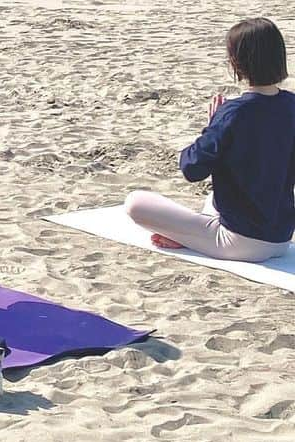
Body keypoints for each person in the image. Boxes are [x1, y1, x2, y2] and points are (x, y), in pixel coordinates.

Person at [125, 18, 294, 261]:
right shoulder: (291, 105)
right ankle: (187, 234)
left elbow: (192, 168)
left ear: (237, 63)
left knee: (135, 203)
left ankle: (186, 236)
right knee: (213, 199)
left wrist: (213, 126)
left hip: (239, 242)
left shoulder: (233, 113)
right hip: (282, 236)